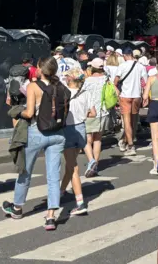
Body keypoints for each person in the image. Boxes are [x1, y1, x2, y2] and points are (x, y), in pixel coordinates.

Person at [2, 57, 66, 231]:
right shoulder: (61, 87)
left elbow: (30, 113)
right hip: (58, 134)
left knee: (25, 171)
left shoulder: (33, 86)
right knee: (53, 176)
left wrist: (17, 111)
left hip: (37, 132)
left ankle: (17, 208)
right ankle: (51, 216)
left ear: (39, 68)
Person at [61, 68, 95, 215]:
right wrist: (82, 113)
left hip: (67, 129)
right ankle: (61, 191)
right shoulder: (85, 93)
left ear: (70, 79)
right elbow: (93, 113)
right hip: (81, 128)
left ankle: (80, 202)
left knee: (73, 167)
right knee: (70, 164)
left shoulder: (64, 92)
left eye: (67, 76)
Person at [115, 47, 148, 156]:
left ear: (124, 55)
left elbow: (115, 81)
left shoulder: (122, 66)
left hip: (125, 95)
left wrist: (116, 91)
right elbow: (145, 81)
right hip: (136, 95)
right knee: (133, 121)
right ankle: (126, 141)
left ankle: (130, 145)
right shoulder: (140, 66)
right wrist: (145, 94)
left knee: (127, 122)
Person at [83, 58, 110, 177]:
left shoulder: (88, 81)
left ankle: (91, 161)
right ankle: (96, 164)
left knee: (87, 139)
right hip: (103, 111)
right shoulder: (106, 79)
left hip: (90, 111)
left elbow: (83, 94)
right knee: (98, 139)